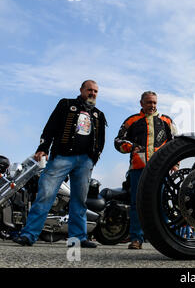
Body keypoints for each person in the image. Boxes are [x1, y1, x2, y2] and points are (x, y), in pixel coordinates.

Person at [13, 80, 106, 248]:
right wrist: (43, 148)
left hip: (85, 161)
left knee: (79, 200)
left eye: (95, 91)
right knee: (45, 195)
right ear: (81, 90)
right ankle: (28, 235)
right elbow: (51, 127)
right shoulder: (66, 104)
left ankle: (78, 238)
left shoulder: (99, 114)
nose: (92, 93)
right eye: (89, 90)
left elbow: (101, 139)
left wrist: (93, 158)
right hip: (62, 157)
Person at [115, 91, 177, 249]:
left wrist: (175, 164)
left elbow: (175, 143)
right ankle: (136, 239)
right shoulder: (132, 120)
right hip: (138, 169)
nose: (152, 105)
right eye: (149, 102)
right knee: (137, 204)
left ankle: (169, 238)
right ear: (141, 103)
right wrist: (131, 147)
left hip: (160, 168)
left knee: (162, 202)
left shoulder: (166, 120)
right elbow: (118, 140)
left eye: (155, 102)